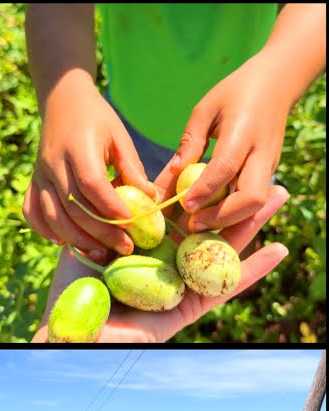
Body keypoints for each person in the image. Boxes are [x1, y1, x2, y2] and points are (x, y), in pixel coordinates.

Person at [22, 4, 324, 342]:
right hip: (123, 134)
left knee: (228, 220)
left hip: (246, 132)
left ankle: (235, 293)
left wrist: (278, 75)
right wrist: (66, 93)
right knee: (138, 220)